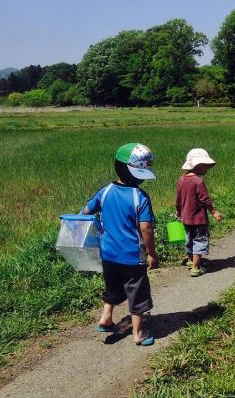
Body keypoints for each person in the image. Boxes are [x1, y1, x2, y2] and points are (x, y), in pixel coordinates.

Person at [85, 143, 158, 346]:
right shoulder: (140, 197)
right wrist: (151, 253)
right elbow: (146, 229)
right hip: (133, 258)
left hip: (108, 254)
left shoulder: (106, 191)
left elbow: (86, 211)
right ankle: (139, 333)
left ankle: (106, 318)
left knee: (113, 286)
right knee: (138, 295)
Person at [176, 148, 222, 277]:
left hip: (186, 218)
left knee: (189, 239)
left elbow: (178, 200)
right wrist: (214, 211)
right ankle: (196, 268)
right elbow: (205, 199)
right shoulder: (198, 181)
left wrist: (179, 213)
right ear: (198, 165)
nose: (207, 168)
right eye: (205, 166)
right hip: (199, 219)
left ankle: (190, 261)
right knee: (200, 240)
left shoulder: (181, 180)